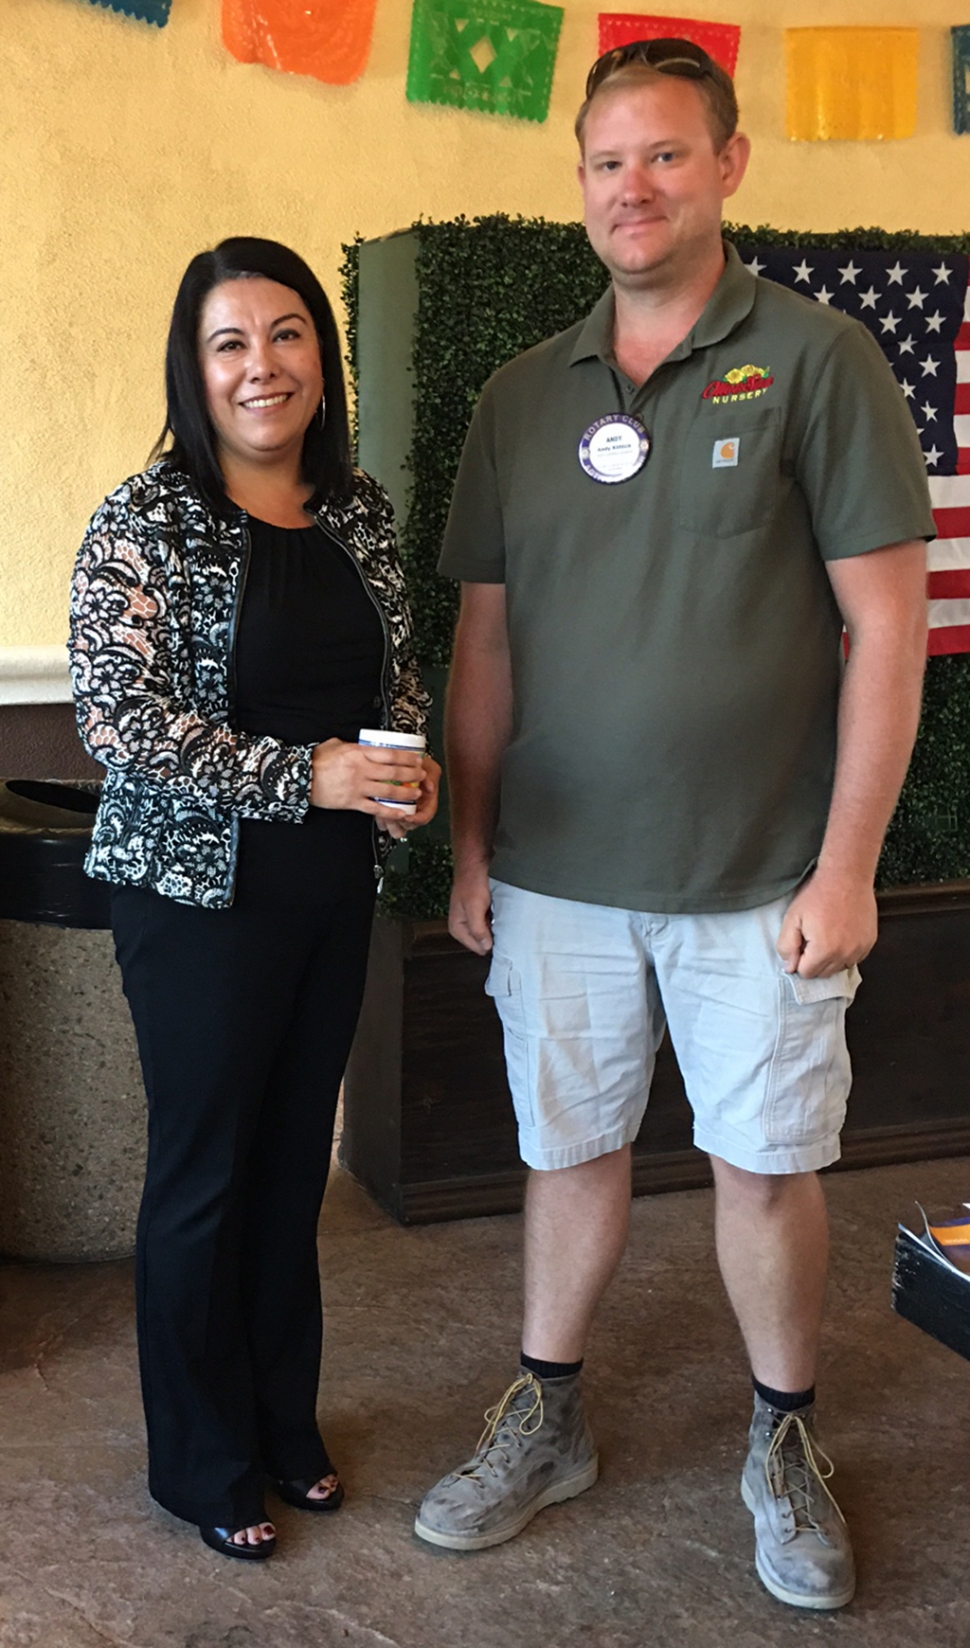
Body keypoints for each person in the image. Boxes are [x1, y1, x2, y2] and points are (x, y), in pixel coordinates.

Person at [415, 40, 933, 1611]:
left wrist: (845, 865)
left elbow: (889, 632)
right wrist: (470, 846)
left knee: (761, 1169)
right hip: (559, 878)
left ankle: (781, 1441)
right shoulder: (520, 396)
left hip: (756, 881)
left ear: (725, 166)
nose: (629, 187)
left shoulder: (821, 358)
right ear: (576, 184)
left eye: (661, 154)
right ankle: (546, 1416)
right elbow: (485, 644)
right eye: (603, 162)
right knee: (563, 1154)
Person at [69, 237, 439, 1562]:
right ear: (195, 364)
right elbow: (118, 722)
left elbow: (390, 676)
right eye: (231, 341)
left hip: (329, 889)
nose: (261, 365)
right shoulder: (146, 517)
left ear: (318, 361)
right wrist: (311, 773)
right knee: (205, 1179)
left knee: (292, 1175)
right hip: (195, 899)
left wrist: (398, 771)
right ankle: (199, 1457)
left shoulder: (359, 509)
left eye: (286, 335)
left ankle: (284, 1422)